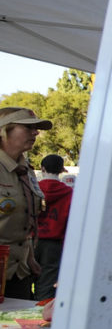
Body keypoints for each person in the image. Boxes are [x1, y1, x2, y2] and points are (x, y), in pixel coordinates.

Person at [0, 107, 48, 299]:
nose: (35, 132)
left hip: (19, 273)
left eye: (36, 128)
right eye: (28, 128)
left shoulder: (25, 170)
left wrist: (29, 257)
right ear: (4, 131)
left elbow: (27, 218)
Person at [36, 154, 73, 301]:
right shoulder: (68, 192)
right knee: (47, 283)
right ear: (61, 170)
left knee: (24, 280)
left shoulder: (34, 188)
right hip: (54, 243)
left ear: (42, 168)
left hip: (31, 240)